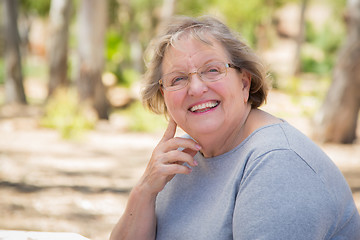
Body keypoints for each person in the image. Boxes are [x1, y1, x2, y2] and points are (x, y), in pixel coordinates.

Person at [110, 15, 360, 240]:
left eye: (212, 70)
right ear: (164, 95)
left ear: (244, 83)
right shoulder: (180, 159)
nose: (196, 88)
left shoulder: (277, 162)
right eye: (178, 79)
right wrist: (144, 191)